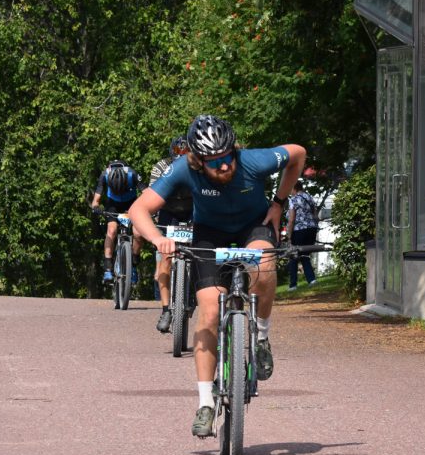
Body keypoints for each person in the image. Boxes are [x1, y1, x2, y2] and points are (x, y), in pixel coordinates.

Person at [129, 114, 306, 438]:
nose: (224, 166)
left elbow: (298, 153)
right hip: (209, 234)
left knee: (264, 265)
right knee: (209, 313)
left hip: (254, 226)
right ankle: (206, 404)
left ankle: (262, 337)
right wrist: (157, 239)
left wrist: (279, 203)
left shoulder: (254, 161)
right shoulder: (183, 169)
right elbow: (138, 209)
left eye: (228, 157)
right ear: (198, 160)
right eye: (214, 162)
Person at [148, 136, 193, 332]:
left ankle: (194, 289)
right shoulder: (160, 167)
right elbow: (151, 194)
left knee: (200, 251)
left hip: (193, 209)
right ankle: (166, 309)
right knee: (165, 257)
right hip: (168, 211)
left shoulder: (199, 165)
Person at [90, 160, 144, 285]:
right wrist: (96, 207)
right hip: (112, 204)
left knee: (138, 233)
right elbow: (95, 201)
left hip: (131, 203)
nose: (119, 191)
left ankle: (134, 264)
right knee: (111, 230)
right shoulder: (104, 175)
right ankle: (108, 269)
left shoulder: (132, 174)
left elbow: (148, 193)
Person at [284, 180, 319, 290]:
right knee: (304, 255)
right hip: (311, 229)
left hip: (299, 230)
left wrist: (289, 236)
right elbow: (315, 215)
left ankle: (293, 285)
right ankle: (312, 280)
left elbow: (291, 219)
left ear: (294, 188)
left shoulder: (293, 200)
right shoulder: (309, 197)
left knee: (293, 255)